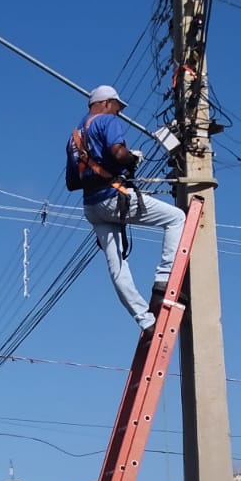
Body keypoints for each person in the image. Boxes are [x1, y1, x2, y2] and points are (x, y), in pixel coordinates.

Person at [67, 85, 185, 339]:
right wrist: (131, 159)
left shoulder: (74, 137)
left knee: (117, 267)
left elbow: (71, 183)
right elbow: (118, 153)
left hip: (92, 207)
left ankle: (145, 320)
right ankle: (163, 279)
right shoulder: (106, 121)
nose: (118, 113)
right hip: (113, 198)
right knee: (177, 218)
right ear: (107, 103)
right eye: (118, 108)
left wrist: (97, 171)